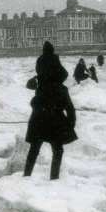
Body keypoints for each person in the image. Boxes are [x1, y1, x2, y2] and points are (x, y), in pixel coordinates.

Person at [24, 41, 77, 180]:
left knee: (34, 149)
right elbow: (70, 109)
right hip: (56, 122)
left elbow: (32, 96)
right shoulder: (61, 88)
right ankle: (54, 179)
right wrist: (70, 125)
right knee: (58, 150)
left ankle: (26, 176)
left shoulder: (40, 85)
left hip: (38, 119)